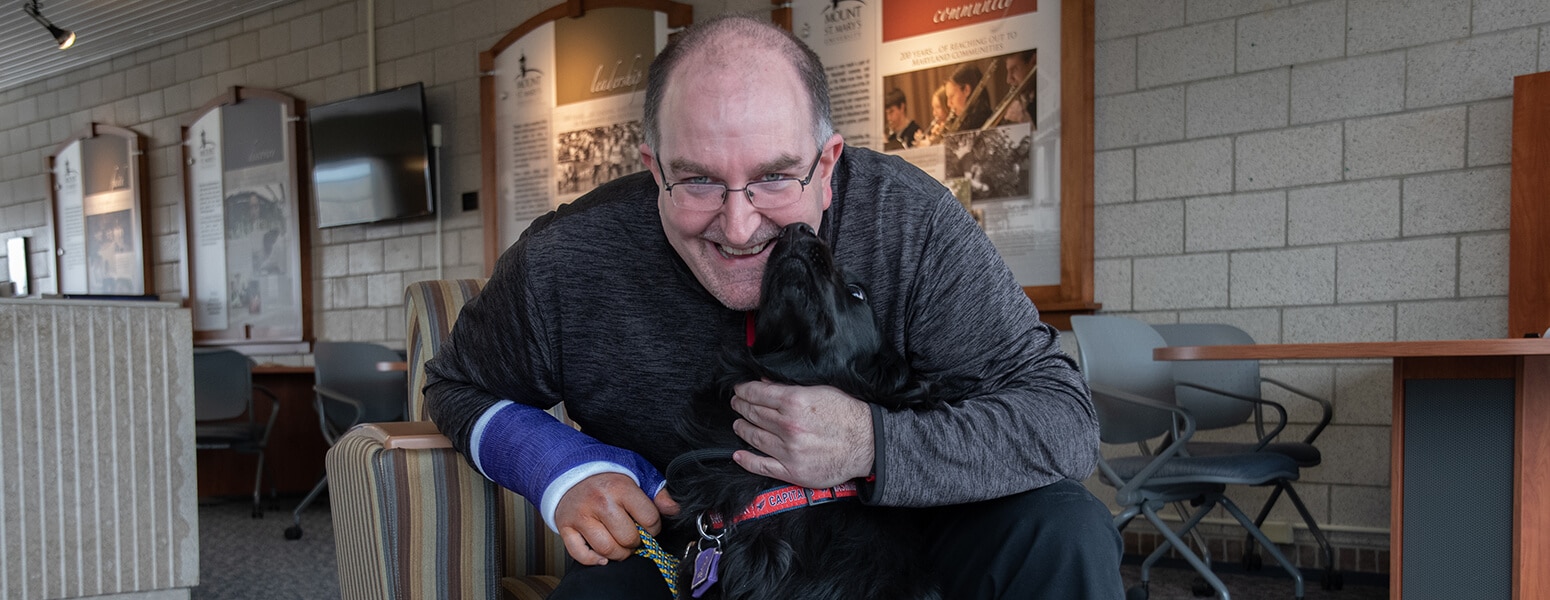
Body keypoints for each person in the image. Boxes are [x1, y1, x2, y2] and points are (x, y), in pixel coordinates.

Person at [425, 14, 1122, 600]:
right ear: (652, 166)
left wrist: (869, 444)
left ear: (828, 163)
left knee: (1061, 528)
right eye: (697, 181)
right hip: (699, 536)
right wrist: (561, 467)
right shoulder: (568, 258)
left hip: (904, 523)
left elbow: (1061, 422)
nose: (737, 226)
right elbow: (454, 384)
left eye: (774, 178)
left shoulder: (909, 223)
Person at [944, 62, 994, 132]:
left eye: (952, 96)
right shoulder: (965, 122)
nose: (949, 104)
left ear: (966, 90)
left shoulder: (979, 123)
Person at [1002, 50, 1036, 125]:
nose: (1009, 79)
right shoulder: (1024, 99)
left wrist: (1026, 118)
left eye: (1015, 69)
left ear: (1034, 62)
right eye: (1008, 71)